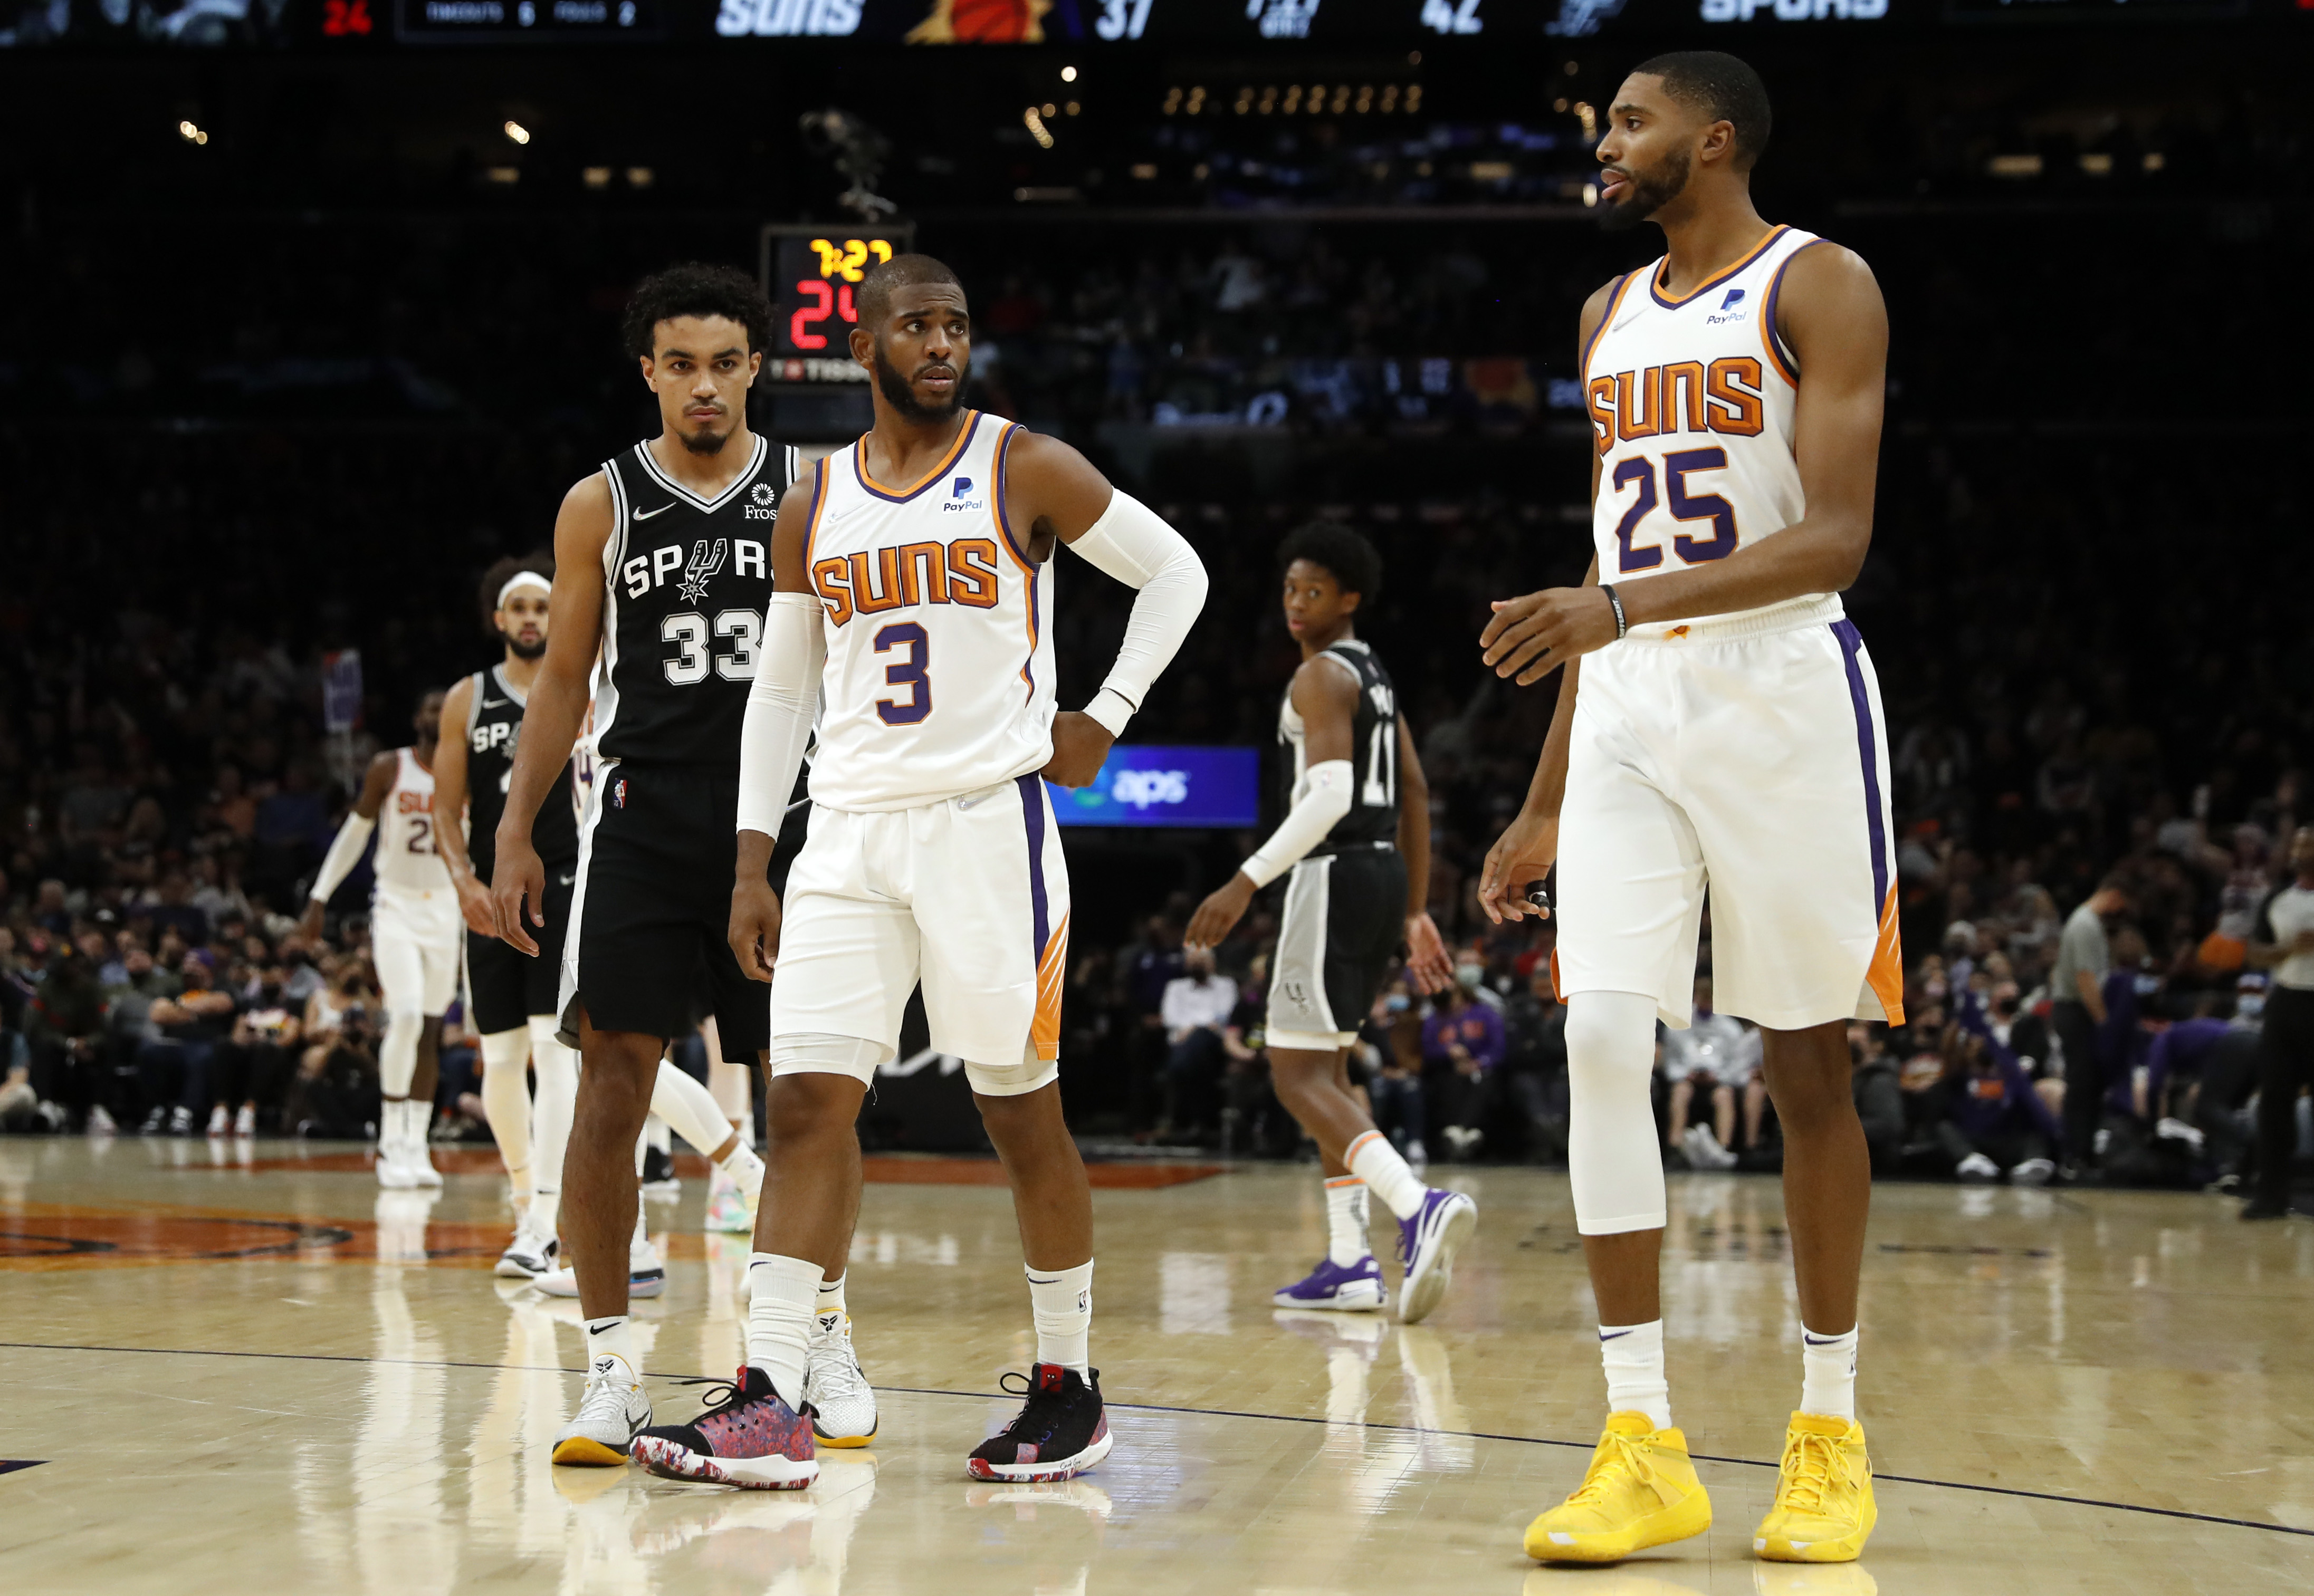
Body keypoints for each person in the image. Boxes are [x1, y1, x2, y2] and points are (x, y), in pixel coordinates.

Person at [627, 252, 1207, 1491]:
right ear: (865, 347)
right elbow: (780, 691)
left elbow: (1177, 572)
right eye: (916, 326)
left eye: (954, 325)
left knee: (1017, 1108)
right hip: (842, 832)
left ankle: (1069, 1384)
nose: (940, 344)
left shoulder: (1022, 464)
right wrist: (751, 857)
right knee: (800, 1106)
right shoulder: (815, 500)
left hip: (984, 827)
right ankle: (771, 1395)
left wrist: (1104, 710)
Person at [1477, 51, 1892, 1566]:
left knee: (1804, 1070)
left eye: (1630, 124)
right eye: (1607, 125)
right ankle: (1640, 1438)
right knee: (1598, 1033)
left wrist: (1618, 609)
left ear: (1713, 143)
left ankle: (1828, 1426)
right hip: (1637, 707)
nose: (1607, 145)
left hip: (1782, 697)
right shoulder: (1603, 318)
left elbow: (1835, 539)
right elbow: (1604, 573)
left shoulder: (1819, 284)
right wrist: (1539, 798)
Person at [484, 263, 858, 1466]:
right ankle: (607, 1372)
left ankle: (820, 1338)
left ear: (758, 367)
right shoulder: (601, 503)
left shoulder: (815, 487)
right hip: (644, 819)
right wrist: (511, 827)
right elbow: (562, 682)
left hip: (789, 821)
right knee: (607, 1085)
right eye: (680, 364)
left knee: (806, 1097)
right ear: (647, 370)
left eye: (725, 362)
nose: (703, 385)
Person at [436, 554, 762, 1283]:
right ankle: (592, 1226)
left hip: (589, 880)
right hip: (522, 887)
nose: (532, 620)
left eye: (543, 607)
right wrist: (471, 874)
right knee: (550, 1059)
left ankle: (559, 1225)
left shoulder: (592, 689)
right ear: (498, 619)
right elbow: (451, 804)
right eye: (517, 607)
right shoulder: (478, 697)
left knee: (588, 1057)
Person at [1183, 523, 1470, 1321]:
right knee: (1330, 1074)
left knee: (1294, 1073)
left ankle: (1416, 1206)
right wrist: (1413, 906)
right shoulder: (1375, 676)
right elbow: (1411, 789)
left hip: (1332, 870)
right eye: (1288, 589)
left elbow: (1332, 794)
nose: (1296, 604)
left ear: (1350, 597)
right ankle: (1349, 1261)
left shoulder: (1317, 679)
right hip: (1378, 875)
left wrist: (1243, 881)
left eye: (1314, 590)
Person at [305, 690, 457, 1189]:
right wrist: (320, 896)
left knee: (431, 1030)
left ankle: (417, 1143)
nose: (438, 715)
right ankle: (391, 1142)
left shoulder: (466, 771)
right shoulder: (390, 768)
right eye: (430, 707)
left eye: (446, 708)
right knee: (407, 1013)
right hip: (396, 904)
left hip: (447, 906)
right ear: (417, 719)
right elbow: (354, 834)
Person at [2243, 825, 2314, 1220]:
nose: (2300, 851)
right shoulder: (2278, 899)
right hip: (2287, 1001)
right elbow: (2255, 954)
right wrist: (2287, 949)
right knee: (2274, 1101)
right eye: (2299, 844)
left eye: (2309, 845)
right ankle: (2270, 1194)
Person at [2050, 877, 2131, 1173]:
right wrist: (2104, 1022)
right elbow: (2086, 979)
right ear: (2112, 895)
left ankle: (2084, 1151)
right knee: (2081, 1083)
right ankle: (2074, 1155)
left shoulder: (2090, 923)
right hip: (2077, 1011)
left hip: (2079, 1010)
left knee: (2090, 1084)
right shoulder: (2084, 924)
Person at [1659, 974, 1759, 1170]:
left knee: (1724, 1097)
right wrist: (1684, 1073)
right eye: (1701, 997)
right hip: (1687, 1079)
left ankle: (1723, 1149)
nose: (1705, 1002)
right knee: (1681, 1093)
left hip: (1718, 1081)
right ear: (1694, 997)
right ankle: (1676, 1147)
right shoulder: (1679, 1023)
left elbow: (1737, 1063)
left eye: (1709, 997)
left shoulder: (1730, 1028)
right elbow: (1671, 1060)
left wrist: (1719, 1076)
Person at [1423, 962, 1506, 1161]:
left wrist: (1480, 1062)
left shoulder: (1485, 1014)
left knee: (1482, 1083)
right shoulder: (1436, 1019)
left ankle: (1460, 1131)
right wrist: (1448, 1051)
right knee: (1450, 1083)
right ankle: (1465, 1134)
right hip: (1448, 1071)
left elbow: (1499, 1049)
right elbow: (1427, 1048)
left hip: (1480, 1069)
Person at [1156, 945, 1238, 1142]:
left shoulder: (1226, 985)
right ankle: (1199, 1123)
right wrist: (1197, 1026)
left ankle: (1182, 1121)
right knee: (1193, 1058)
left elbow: (1224, 1016)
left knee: (1195, 1045)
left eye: (1202, 961)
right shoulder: (1176, 987)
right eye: (1194, 961)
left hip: (1213, 1043)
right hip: (1181, 1044)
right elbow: (1169, 1017)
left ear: (1213, 963)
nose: (1198, 965)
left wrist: (1192, 1028)